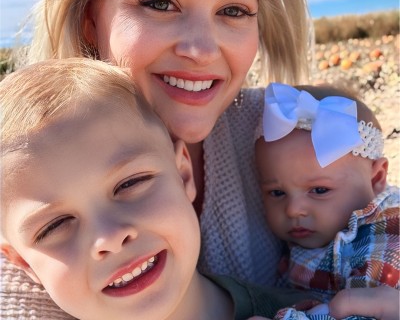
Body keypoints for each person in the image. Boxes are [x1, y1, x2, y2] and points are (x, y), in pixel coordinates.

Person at [2, 0, 397, 318]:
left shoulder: (286, 128)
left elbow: (378, 217)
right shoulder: (20, 183)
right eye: (160, 3)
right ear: (90, 18)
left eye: (234, 10)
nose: (203, 49)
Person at [0, 58, 314, 320]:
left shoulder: (311, 312)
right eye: (55, 225)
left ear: (183, 175)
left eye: (130, 183)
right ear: (24, 264)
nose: (109, 237)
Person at [254, 83, 400, 320]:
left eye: (319, 190)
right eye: (277, 193)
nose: (293, 210)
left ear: (376, 178)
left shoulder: (384, 235)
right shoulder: (303, 239)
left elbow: (364, 314)